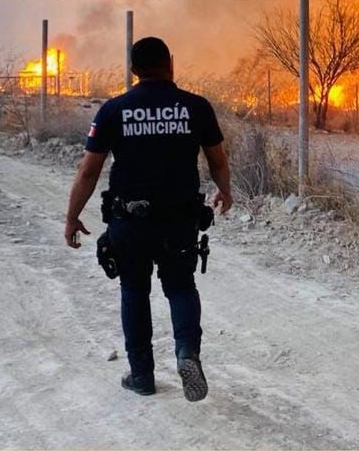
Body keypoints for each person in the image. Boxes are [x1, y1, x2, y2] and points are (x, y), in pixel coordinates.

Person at [63, 37, 232, 402]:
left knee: (134, 291)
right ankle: (187, 352)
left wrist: (72, 217)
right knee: (181, 287)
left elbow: (89, 171)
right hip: (179, 219)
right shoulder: (195, 107)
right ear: (171, 62)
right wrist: (225, 191)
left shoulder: (114, 110)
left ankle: (141, 375)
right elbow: (217, 159)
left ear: (133, 70)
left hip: (131, 220)